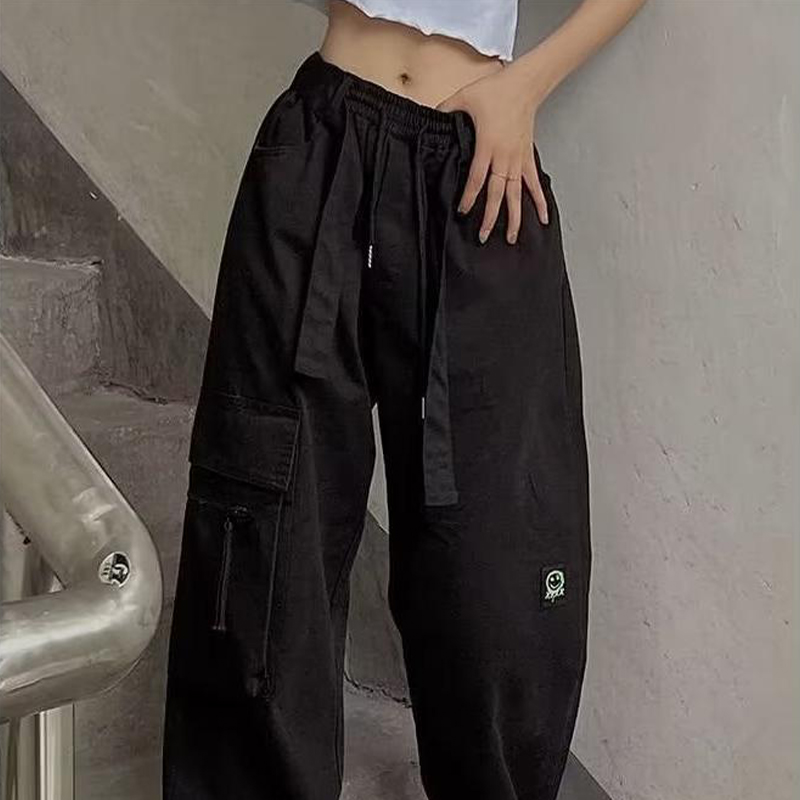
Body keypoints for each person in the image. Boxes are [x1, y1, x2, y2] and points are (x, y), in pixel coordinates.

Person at [161, 1, 648, 799]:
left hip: (481, 164)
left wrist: (524, 88)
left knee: (504, 553)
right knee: (267, 514)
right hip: (322, 140)